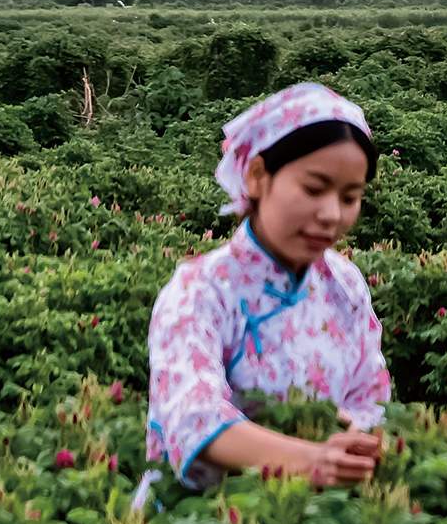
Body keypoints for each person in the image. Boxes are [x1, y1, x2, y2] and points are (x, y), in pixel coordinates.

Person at [141, 82, 391, 501]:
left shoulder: (345, 285)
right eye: (314, 189)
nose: (332, 215)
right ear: (257, 177)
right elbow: (194, 419)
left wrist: (355, 441)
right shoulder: (200, 290)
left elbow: (371, 397)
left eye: (350, 197)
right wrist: (312, 460)